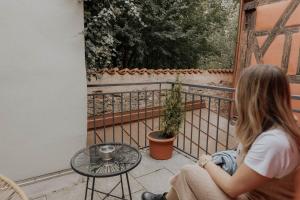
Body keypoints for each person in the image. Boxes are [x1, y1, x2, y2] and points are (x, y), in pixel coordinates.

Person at [142, 64, 300, 200]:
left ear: (252, 97)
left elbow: (232, 187)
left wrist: (206, 162)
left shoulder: (274, 141)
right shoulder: (277, 130)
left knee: (188, 172)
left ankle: (165, 198)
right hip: (246, 193)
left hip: (244, 195)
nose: (236, 95)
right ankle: (165, 198)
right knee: (191, 175)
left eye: (240, 90)